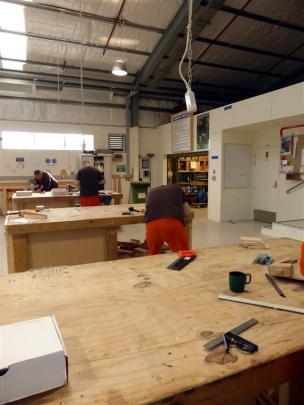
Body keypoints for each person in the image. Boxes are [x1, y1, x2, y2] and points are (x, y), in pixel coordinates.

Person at [145, 184, 190, 255]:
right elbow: (187, 213)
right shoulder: (178, 189)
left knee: (152, 257)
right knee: (184, 255)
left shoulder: (151, 192)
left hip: (151, 225)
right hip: (172, 224)